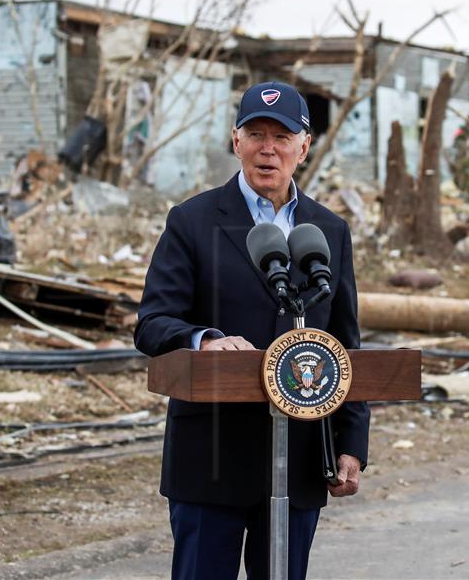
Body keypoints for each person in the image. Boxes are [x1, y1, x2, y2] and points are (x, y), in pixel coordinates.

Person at [134, 81, 371, 580]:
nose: (269, 148)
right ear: (235, 141)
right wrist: (205, 341)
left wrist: (351, 442)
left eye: (283, 136)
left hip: (302, 454)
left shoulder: (328, 231)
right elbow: (153, 324)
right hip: (212, 456)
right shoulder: (192, 221)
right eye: (256, 133)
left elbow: (345, 345)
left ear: (303, 148)